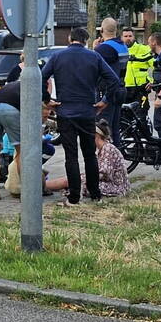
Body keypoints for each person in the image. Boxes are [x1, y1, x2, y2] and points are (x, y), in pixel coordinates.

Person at [41, 27, 122, 205]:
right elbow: (114, 81)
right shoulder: (94, 57)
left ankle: (74, 197)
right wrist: (104, 101)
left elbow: (41, 77)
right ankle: (95, 194)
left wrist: (47, 100)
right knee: (89, 155)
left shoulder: (57, 57)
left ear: (70, 38)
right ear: (86, 40)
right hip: (87, 112)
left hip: (65, 112)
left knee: (71, 156)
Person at [0, 80, 53, 201]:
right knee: (21, 150)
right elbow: (45, 98)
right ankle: (26, 192)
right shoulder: (33, 82)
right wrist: (49, 102)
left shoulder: (12, 85)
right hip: (9, 109)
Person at [45, 119, 130, 198]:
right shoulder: (102, 148)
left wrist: (84, 177)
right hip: (110, 182)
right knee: (72, 180)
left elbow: (103, 173)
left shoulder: (108, 149)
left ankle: (42, 186)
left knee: (71, 181)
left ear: (96, 135)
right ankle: (44, 186)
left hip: (115, 186)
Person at [93, 18, 129, 147]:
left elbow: (93, 66)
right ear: (116, 30)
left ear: (101, 30)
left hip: (107, 92)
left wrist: (95, 49)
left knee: (102, 129)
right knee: (114, 129)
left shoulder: (104, 49)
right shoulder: (122, 45)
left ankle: (107, 161)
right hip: (120, 89)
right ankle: (117, 159)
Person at [122, 27, 154, 105]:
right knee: (123, 115)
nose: (128, 38)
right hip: (123, 88)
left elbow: (156, 66)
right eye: (125, 36)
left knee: (141, 113)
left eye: (130, 36)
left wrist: (152, 81)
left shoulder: (143, 49)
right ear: (121, 38)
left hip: (140, 88)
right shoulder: (118, 50)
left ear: (134, 37)